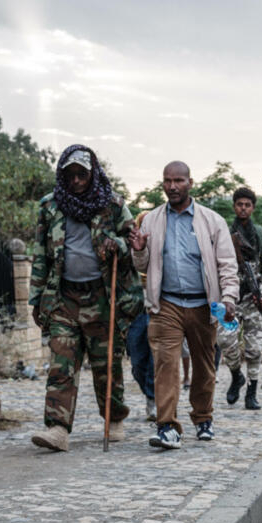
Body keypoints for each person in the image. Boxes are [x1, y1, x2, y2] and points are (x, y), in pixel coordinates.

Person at [29, 144, 144, 452]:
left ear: (93, 174)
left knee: (106, 364)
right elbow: (40, 254)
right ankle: (57, 428)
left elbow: (133, 242)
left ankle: (114, 418)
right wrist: (36, 298)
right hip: (63, 297)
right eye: (71, 175)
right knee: (61, 363)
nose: (76, 181)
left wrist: (117, 243)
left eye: (82, 175)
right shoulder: (49, 206)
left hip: (102, 297)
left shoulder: (113, 204)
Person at [130, 161, 239, 449]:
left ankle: (203, 417)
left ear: (190, 182)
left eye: (178, 180)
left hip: (204, 306)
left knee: (204, 368)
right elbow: (142, 265)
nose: (172, 186)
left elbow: (227, 265)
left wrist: (228, 298)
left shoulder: (212, 221)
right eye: (167, 181)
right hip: (166, 305)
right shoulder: (151, 220)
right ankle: (167, 427)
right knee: (165, 364)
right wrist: (138, 250)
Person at [220, 187, 262, 410]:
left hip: (254, 300)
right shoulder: (225, 234)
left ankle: (252, 392)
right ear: (234, 206)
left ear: (253, 208)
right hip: (231, 297)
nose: (243, 208)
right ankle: (236, 376)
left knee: (255, 348)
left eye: (247, 205)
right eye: (239, 204)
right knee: (225, 340)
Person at [126, 213, 157, 421]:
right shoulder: (129, 247)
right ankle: (148, 392)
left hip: (157, 306)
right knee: (137, 360)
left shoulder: (158, 246)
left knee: (156, 357)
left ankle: (154, 399)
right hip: (135, 308)